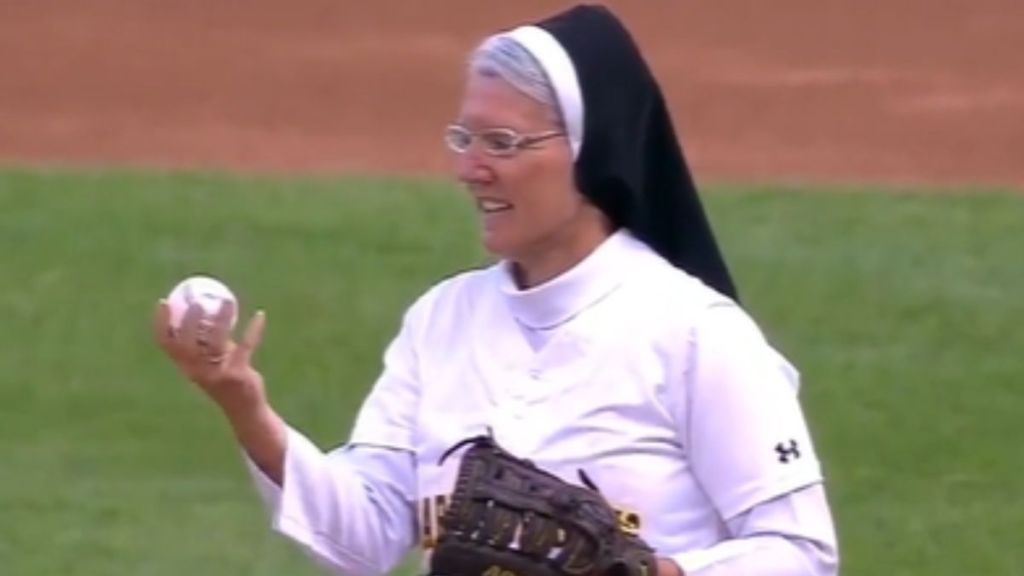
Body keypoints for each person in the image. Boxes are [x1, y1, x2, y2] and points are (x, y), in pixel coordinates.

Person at [153, 4, 839, 576]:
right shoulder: (442, 320)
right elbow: (364, 534)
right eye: (464, 139)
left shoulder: (693, 331)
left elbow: (801, 551)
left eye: (502, 143)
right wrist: (244, 407)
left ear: (588, 152)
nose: (470, 170)